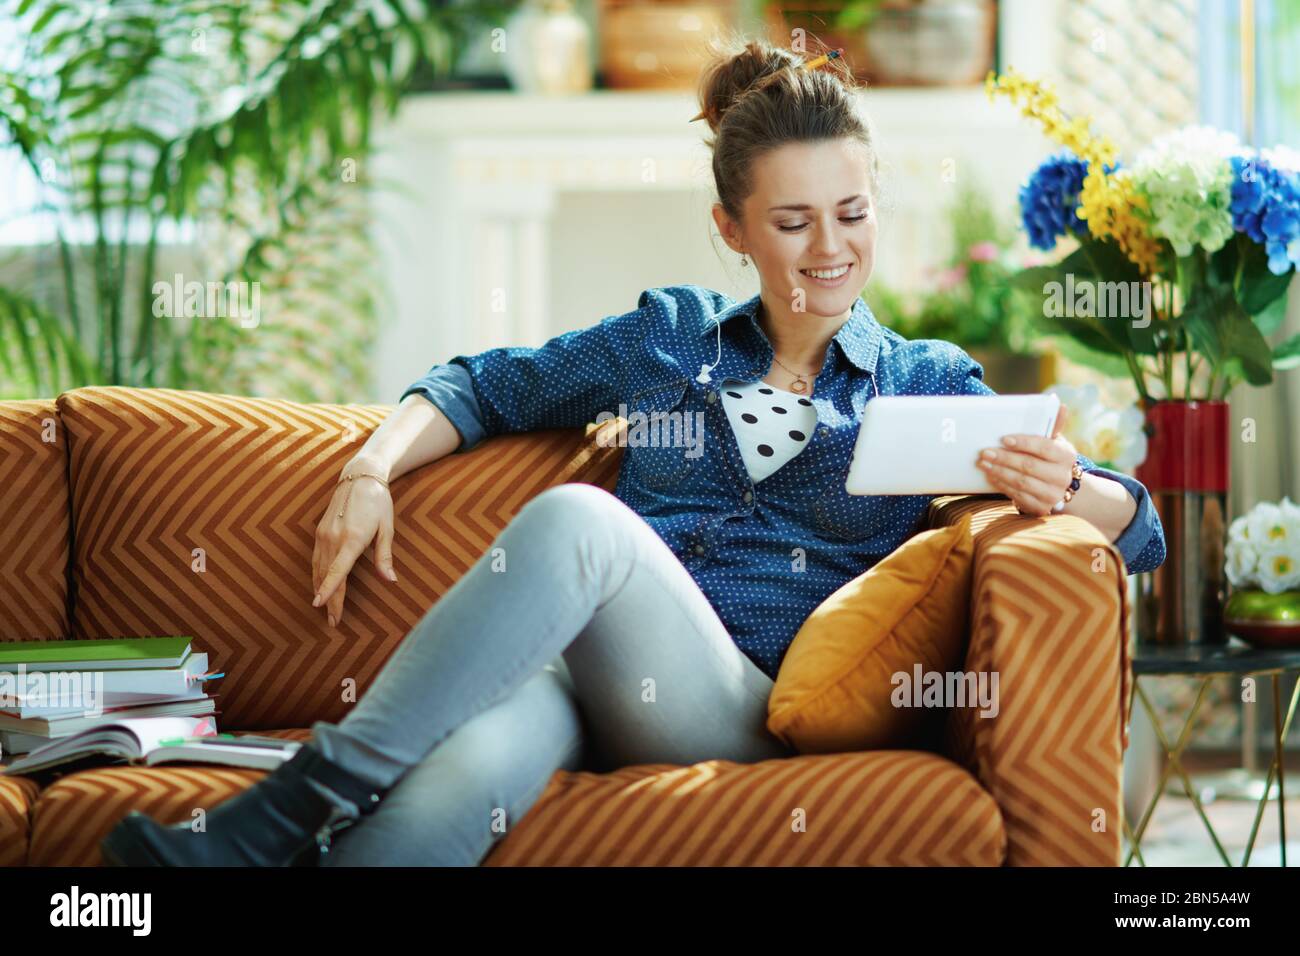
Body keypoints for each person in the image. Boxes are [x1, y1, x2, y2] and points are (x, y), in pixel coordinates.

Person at [100, 36, 1166, 868]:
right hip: (589, 686)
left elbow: (1142, 526)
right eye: (792, 222)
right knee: (444, 800)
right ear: (731, 228)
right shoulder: (669, 334)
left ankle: (286, 804)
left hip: (747, 709)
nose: (830, 249)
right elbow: (481, 383)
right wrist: (371, 468)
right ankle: (278, 847)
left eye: (851, 212)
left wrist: (1070, 487)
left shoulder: (922, 377)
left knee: (578, 521)